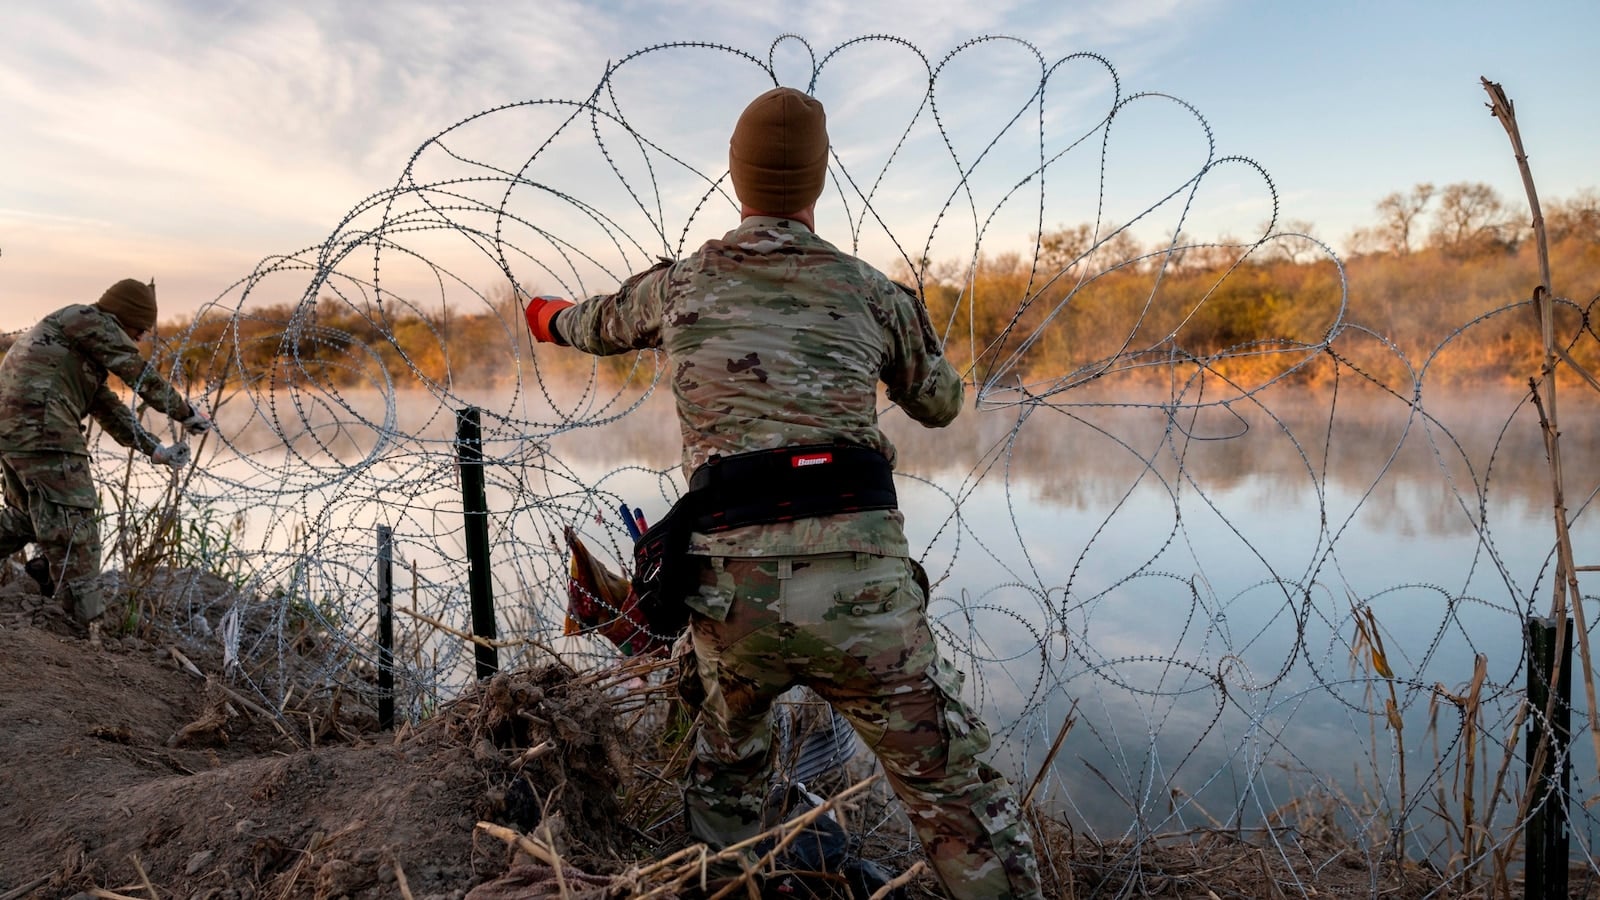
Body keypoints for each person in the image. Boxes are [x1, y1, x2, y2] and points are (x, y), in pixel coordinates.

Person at [524, 87, 1042, 899]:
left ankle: (729, 883)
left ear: (736, 178)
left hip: (735, 601)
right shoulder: (873, 292)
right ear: (819, 181)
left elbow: (587, 324)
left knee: (725, 780)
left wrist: (541, 314)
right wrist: (920, 340)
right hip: (864, 599)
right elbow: (940, 405)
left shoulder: (682, 288)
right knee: (954, 800)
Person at [0, 279, 211, 629]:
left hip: (13, 431)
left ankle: (61, 593)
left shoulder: (73, 342)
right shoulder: (89, 320)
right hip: (44, 429)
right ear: (121, 317)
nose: (140, 338)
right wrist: (185, 412)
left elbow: (106, 407)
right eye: (139, 329)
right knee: (77, 526)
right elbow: (137, 373)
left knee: (27, 518)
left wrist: (154, 449)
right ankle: (86, 624)